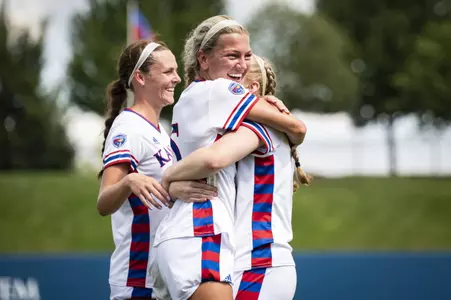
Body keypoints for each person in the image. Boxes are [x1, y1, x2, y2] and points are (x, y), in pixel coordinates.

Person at [149, 16, 306, 300]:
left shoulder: (201, 100)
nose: (241, 66)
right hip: (205, 232)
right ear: (204, 59)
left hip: (231, 249)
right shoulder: (219, 93)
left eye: (246, 58)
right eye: (233, 56)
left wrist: (170, 179)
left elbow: (209, 159)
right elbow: (213, 160)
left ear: (256, 91)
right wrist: (170, 178)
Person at [96, 40, 217, 300]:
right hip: (138, 278)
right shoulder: (128, 126)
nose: (176, 79)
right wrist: (129, 183)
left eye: (176, 71)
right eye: (167, 72)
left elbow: (160, 192)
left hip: (164, 276)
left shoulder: (161, 131)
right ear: (140, 77)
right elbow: (104, 203)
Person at [233, 54, 308, 299]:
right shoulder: (266, 125)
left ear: (252, 87)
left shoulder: (256, 128)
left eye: (234, 81)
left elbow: (210, 160)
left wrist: (171, 178)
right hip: (256, 263)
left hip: (259, 263)